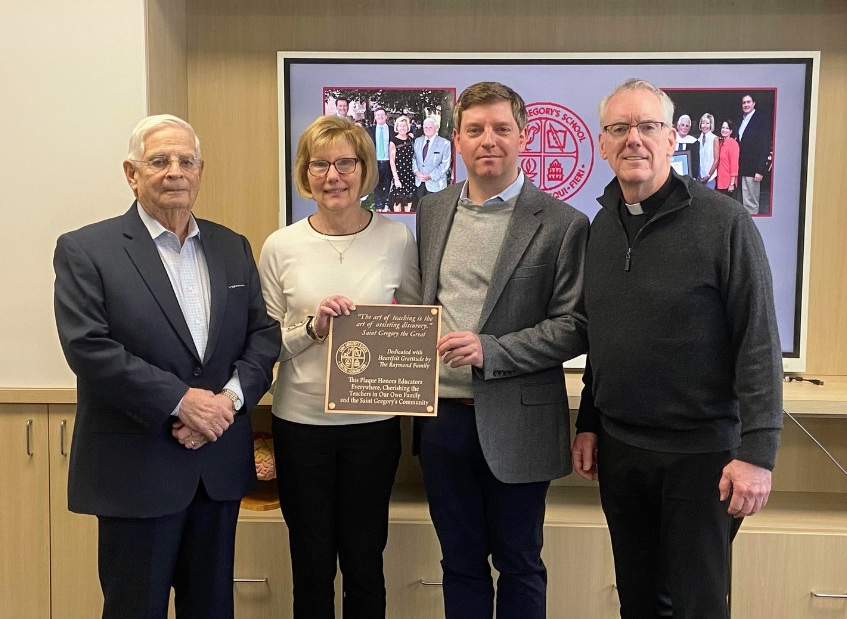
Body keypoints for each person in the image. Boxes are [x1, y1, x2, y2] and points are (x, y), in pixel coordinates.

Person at [53, 114, 281, 619]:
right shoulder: (87, 249)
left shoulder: (232, 246)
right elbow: (88, 347)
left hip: (216, 468)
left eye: (186, 161)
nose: (174, 171)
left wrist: (226, 403)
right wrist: (182, 402)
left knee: (212, 608)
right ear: (132, 173)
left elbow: (263, 337)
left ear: (201, 171)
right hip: (137, 470)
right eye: (159, 161)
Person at [571, 79, 783, 619]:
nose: (633, 140)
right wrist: (589, 422)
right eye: (620, 129)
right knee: (639, 601)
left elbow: (757, 340)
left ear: (672, 139)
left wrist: (757, 453)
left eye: (648, 127)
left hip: (702, 455)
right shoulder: (601, 226)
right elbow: (605, 335)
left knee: (697, 605)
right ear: (602, 143)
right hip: (621, 451)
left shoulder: (724, 222)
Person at [415, 81, 589, 619]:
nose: (488, 140)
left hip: (519, 420)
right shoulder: (431, 210)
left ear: (523, 136)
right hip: (443, 420)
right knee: (459, 563)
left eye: (501, 129)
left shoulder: (564, 223)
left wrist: (491, 349)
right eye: (475, 130)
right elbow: (420, 301)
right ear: (457, 140)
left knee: (519, 563)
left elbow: (576, 326)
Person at [258, 115, 421, 619]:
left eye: (345, 163)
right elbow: (263, 346)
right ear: (305, 175)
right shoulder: (280, 246)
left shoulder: (398, 239)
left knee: (365, 562)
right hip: (300, 425)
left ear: (365, 170)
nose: (333, 175)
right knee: (310, 565)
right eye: (320, 164)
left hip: (372, 428)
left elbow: (417, 323)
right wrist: (312, 329)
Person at [737, 93, 772, 215]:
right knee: (746, 202)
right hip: (743, 169)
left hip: (754, 170)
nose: (746, 104)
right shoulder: (743, 120)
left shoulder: (761, 120)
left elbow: (765, 146)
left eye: (748, 102)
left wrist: (760, 170)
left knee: (752, 204)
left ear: (754, 103)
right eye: (744, 102)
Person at [413, 116, 453, 203]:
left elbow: (445, 164)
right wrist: (416, 171)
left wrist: (431, 176)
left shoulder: (445, 143)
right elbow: (414, 158)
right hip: (420, 182)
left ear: (435, 128)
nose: (428, 129)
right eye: (425, 127)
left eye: (430, 127)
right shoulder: (417, 141)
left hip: (436, 183)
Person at [368, 107, 395, 212]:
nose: (380, 116)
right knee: (377, 184)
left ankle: (387, 203)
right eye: (377, 115)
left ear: (386, 116)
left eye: (382, 114)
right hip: (376, 162)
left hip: (388, 161)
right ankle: (379, 204)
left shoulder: (393, 129)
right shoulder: (370, 130)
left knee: (388, 183)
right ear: (375, 117)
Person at [389, 115, 416, 212]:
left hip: (409, 174)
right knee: (398, 200)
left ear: (408, 127)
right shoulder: (393, 141)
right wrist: (396, 178)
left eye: (405, 126)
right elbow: (392, 161)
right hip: (399, 174)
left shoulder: (411, 139)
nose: (403, 128)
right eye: (400, 126)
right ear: (397, 127)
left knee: (409, 199)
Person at [715, 119, 741, 200]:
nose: (724, 130)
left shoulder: (733, 143)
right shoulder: (721, 142)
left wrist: (732, 183)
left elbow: (734, 164)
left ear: (731, 131)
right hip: (720, 182)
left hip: (728, 183)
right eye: (723, 127)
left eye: (727, 128)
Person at [673, 114, 700, 180]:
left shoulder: (694, 142)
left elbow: (695, 163)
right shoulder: (670, 139)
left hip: (687, 177)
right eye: (682, 125)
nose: (684, 128)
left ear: (689, 128)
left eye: (687, 126)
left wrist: (694, 176)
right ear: (678, 126)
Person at [697, 113, 720, 188]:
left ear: (711, 125)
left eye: (707, 123)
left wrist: (708, 176)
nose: (705, 126)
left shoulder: (714, 138)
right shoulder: (698, 139)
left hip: (710, 179)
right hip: (699, 178)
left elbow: (716, 160)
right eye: (703, 123)